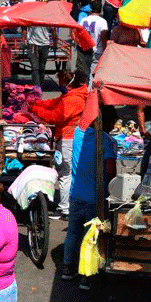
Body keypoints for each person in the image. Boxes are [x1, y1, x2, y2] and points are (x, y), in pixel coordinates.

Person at [62, 107, 118, 287]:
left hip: (75, 195)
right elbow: (111, 171)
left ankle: (67, 268)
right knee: (90, 237)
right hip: (95, 198)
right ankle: (86, 275)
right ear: (108, 123)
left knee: (72, 232)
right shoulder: (108, 142)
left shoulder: (79, 134)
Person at [27, 71, 89, 217]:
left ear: (68, 84)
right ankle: (67, 206)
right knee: (67, 172)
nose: (59, 86)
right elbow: (54, 103)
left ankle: (65, 208)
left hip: (68, 138)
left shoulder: (73, 99)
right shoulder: (71, 96)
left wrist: (34, 109)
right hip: (67, 137)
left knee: (65, 174)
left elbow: (56, 116)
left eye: (61, 84)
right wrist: (37, 103)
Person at [22, 0, 52, 87]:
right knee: (34, 67)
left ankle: (41, 85)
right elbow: (24, 26)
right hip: (32, 44)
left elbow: (54, 28)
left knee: (42, 66)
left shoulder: (49, 16)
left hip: (45, 43)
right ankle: (36, 88)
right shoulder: (31, 13)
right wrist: (24, 39)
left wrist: (54, 36)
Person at [78, 0, 110, 75]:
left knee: (85, 73)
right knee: (94, 74)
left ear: (90, 9)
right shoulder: (102, 21)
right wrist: (104, 50)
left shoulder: (83, 20)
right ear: (101, 10)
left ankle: (86, 86)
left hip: (85, 50)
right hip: (97, 51)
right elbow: (103, 36)